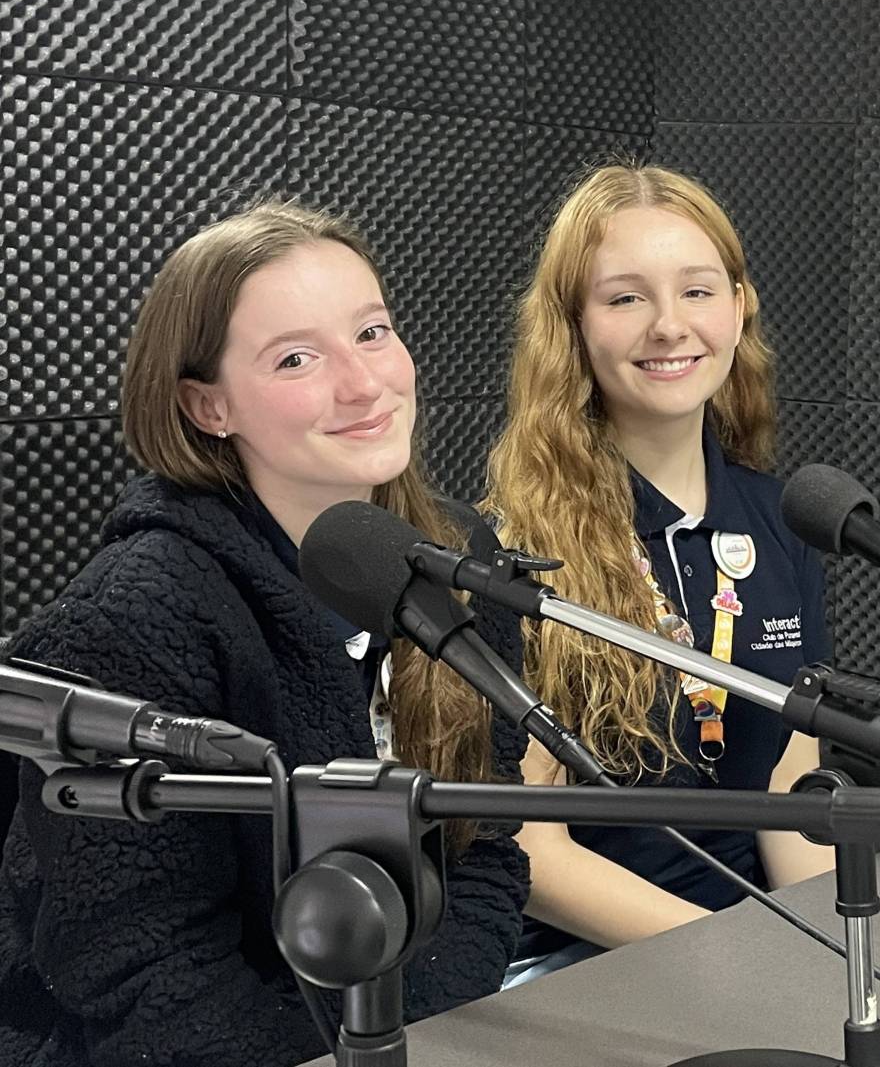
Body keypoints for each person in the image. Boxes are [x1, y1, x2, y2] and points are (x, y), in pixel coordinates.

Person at [0, 200, 529, 1067]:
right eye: (295, 358)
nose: (363, 384)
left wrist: (410, 1034)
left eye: (372, 332)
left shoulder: (460, 560)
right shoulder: (136, 615)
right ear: (208, 405)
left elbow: (482, 851)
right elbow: (140, 966)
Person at [482, 164, 834, 980]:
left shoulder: (785, 520)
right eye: (626, 297)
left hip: (756, 934)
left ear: (740, 307)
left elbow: (786, 779)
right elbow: (531, 849)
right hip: (585, 958)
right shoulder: (514, 547)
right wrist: (735, 955)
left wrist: (828, 952)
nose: (669, 326)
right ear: (572, 326)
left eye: (699, 291)